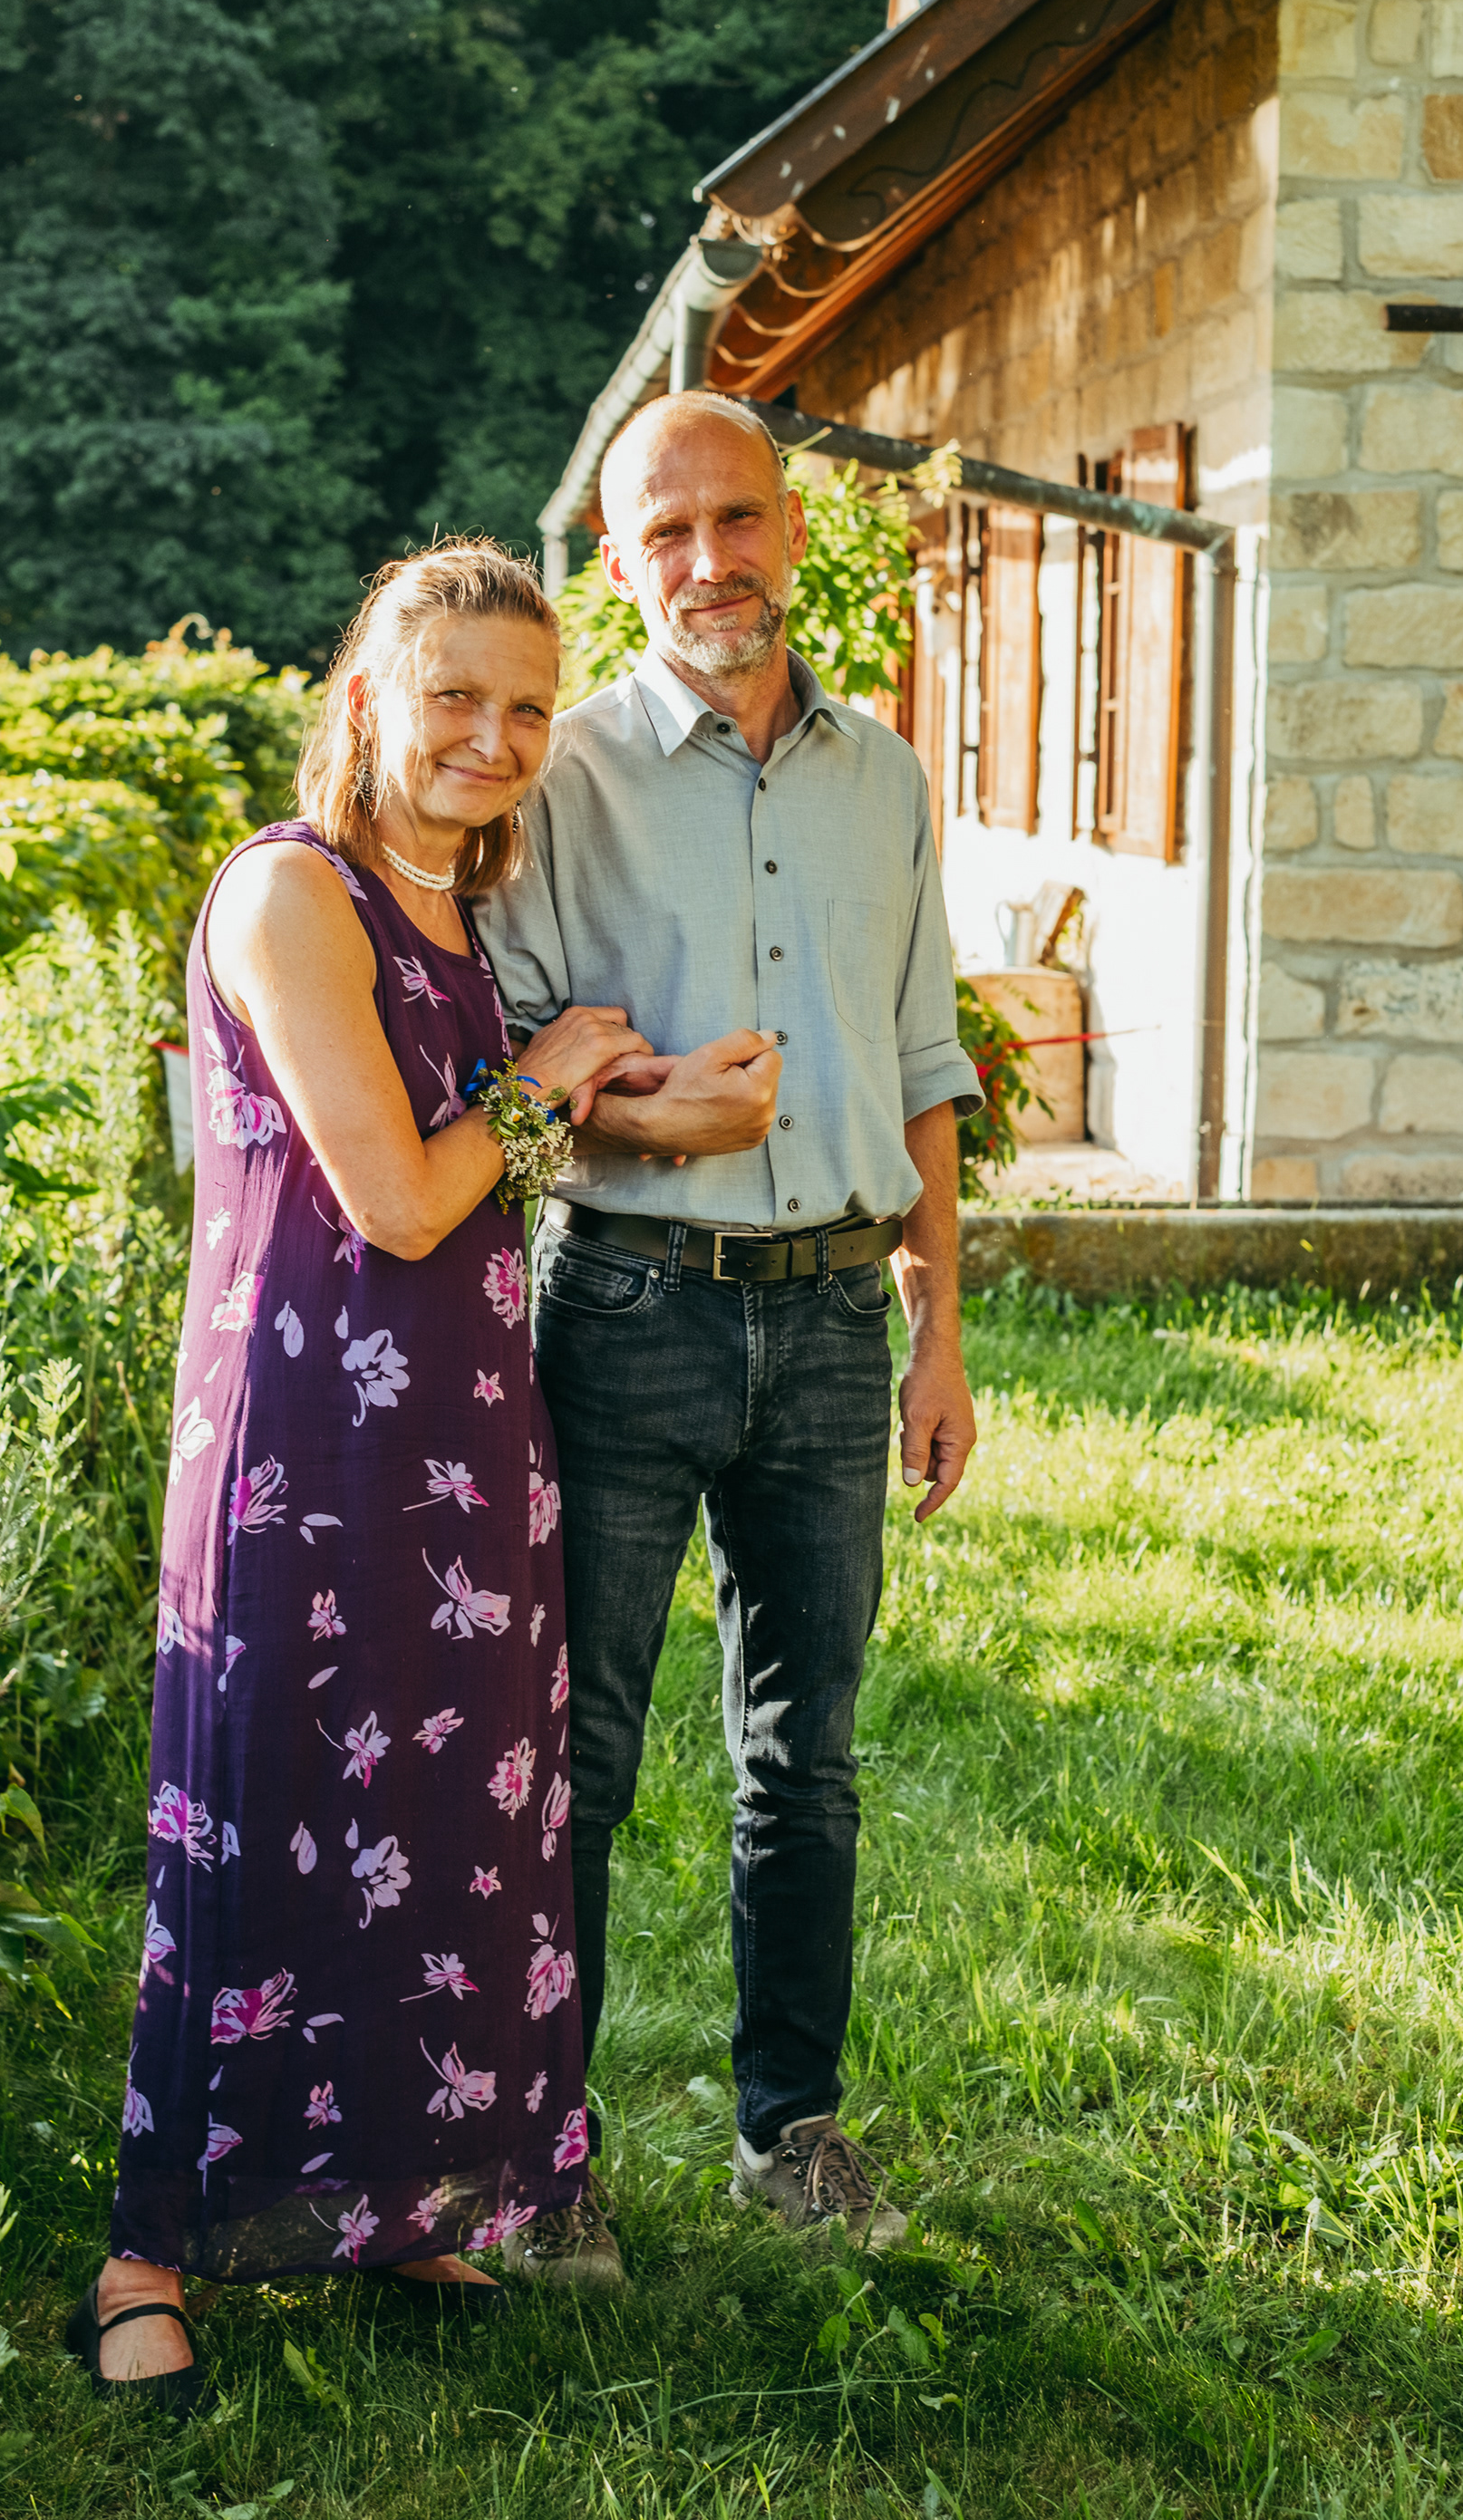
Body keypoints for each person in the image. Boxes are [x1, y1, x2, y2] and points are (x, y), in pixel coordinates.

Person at [69, 542, 647, 2413]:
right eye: (457, 695)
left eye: (529, 709)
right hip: (301, 1449)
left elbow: (480, 1166)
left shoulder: (454, 911)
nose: (496, 737)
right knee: (260, 1812)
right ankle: (147, 2250)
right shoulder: (290, 890)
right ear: (369, 699)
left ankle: (393, 2199)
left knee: (443, 1816)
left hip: (463, 1441)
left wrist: (604, 1092)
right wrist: (548, 1082)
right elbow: (398, 1196)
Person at [476, 391, 983, 2265]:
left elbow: (926, 1067)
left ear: (792, 526)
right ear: (620, 564)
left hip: (839, 1319)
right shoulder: (559, 778)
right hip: (625, 1311)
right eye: (667, 532)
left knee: (809, 1754)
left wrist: (940, 1335)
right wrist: (656, 1115)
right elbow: (513, 1073)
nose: (711, 560)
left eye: (738, 518)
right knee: (581, 1754)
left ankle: (795, 2130)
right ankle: (548, 2161)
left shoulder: (887, 777)